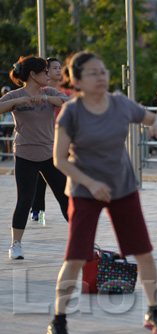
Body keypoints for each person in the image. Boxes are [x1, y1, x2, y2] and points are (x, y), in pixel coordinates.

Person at [47, 51, 157, 334]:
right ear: (77, 80)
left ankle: (154, 311)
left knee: (144, 253)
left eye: (103, 71)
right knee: (76, 257)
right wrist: (91, 184)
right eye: (93, 73)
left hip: (122, 188)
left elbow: (152, 119)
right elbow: (60, 159)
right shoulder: (72, 112)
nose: (101, 77)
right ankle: (59, 318)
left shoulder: (120, 103)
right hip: (84, 190)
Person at [0, 55, 70, 260]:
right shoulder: (15, 95)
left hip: (50, 155)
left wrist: (48, 99)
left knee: (66, 199)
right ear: (33, 74)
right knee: (25, 201)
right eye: (45, 72)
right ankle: (16, 245)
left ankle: (82, 241)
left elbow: (69, 103)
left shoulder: (50, 92)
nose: (48, 75)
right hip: (25, 155)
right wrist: (18, 101)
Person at [31, 57, 64, 222]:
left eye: (60, 67)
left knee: (62, 178)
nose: (59, 70)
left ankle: (71, 210)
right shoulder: (40, 91)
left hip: (63, 140)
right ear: (46, 71)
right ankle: (37, 209)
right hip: (45, 140)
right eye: (55, 68)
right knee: (41, 176)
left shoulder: (64, 92)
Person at [1, 86, 14, 160]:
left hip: (10, 123)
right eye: (4, 92)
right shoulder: (2, 101)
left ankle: (9, 154)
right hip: (4, 124)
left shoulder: (12, 101)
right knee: (4, 139)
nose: (5, 94)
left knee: (9, 137)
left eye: (6, 92)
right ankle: (5, 154)